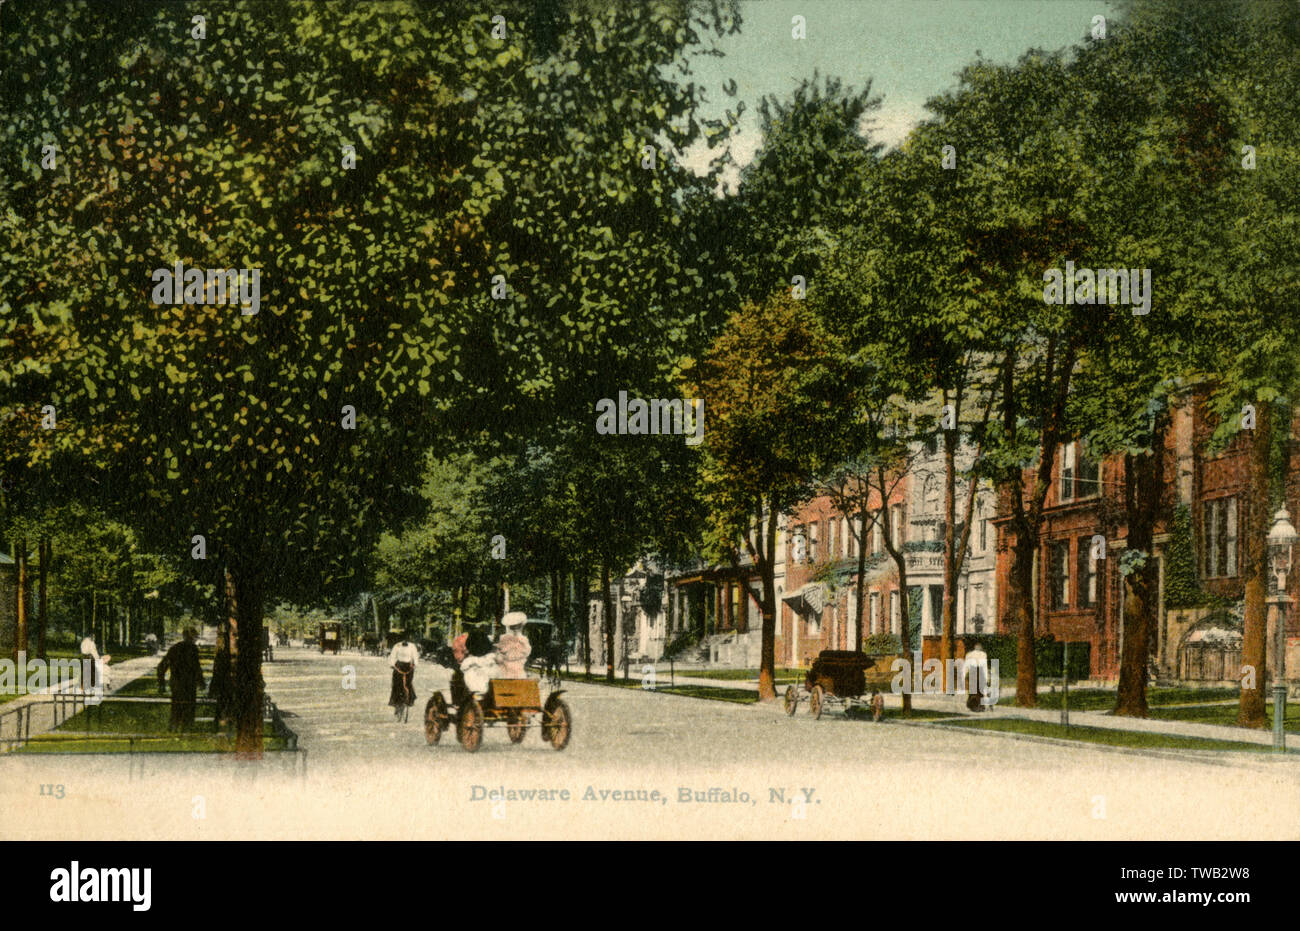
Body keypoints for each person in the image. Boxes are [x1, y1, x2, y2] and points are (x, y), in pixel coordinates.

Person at [157, 628, 205, 732]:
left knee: (176, 705)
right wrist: (201, 682)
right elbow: (196, 667)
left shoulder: (174, 648)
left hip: (176, 682)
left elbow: (162, 666)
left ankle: (174, 727)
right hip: (189, 683)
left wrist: (161, 683)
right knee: (189, 706)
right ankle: (186, 729)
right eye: (195, 637)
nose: (196, 639)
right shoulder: (193, 649)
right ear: (192, 637)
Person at [388, 635, 419, 718]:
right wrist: (392, 664)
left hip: (408, 667)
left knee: (408, 684)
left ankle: (408, 700)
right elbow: (392, 656)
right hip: (398, 667)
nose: (405, 641)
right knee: (396, 685)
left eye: (407, 639)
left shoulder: (412, 646)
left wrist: (415, 664)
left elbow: (415, 657)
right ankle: (396, 704)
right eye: (403, 639)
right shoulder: (397, 646)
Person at [495, 612, 532, 679]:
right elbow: (527, 653)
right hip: (518, 671)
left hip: (505, 670)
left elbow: (499, 654)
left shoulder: (503, 638)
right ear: (521, 626)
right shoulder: (524, 640)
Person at [964, 642, 990, 712]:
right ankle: (979, 705)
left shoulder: (969, 654)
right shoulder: (983, 654)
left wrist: (965, 674)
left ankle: (974, 705)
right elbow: (985, 666)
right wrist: (987, 678)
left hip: (973, 672)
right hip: (980, 672)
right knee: (979, 690)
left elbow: (966, 666)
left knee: (973, 690)